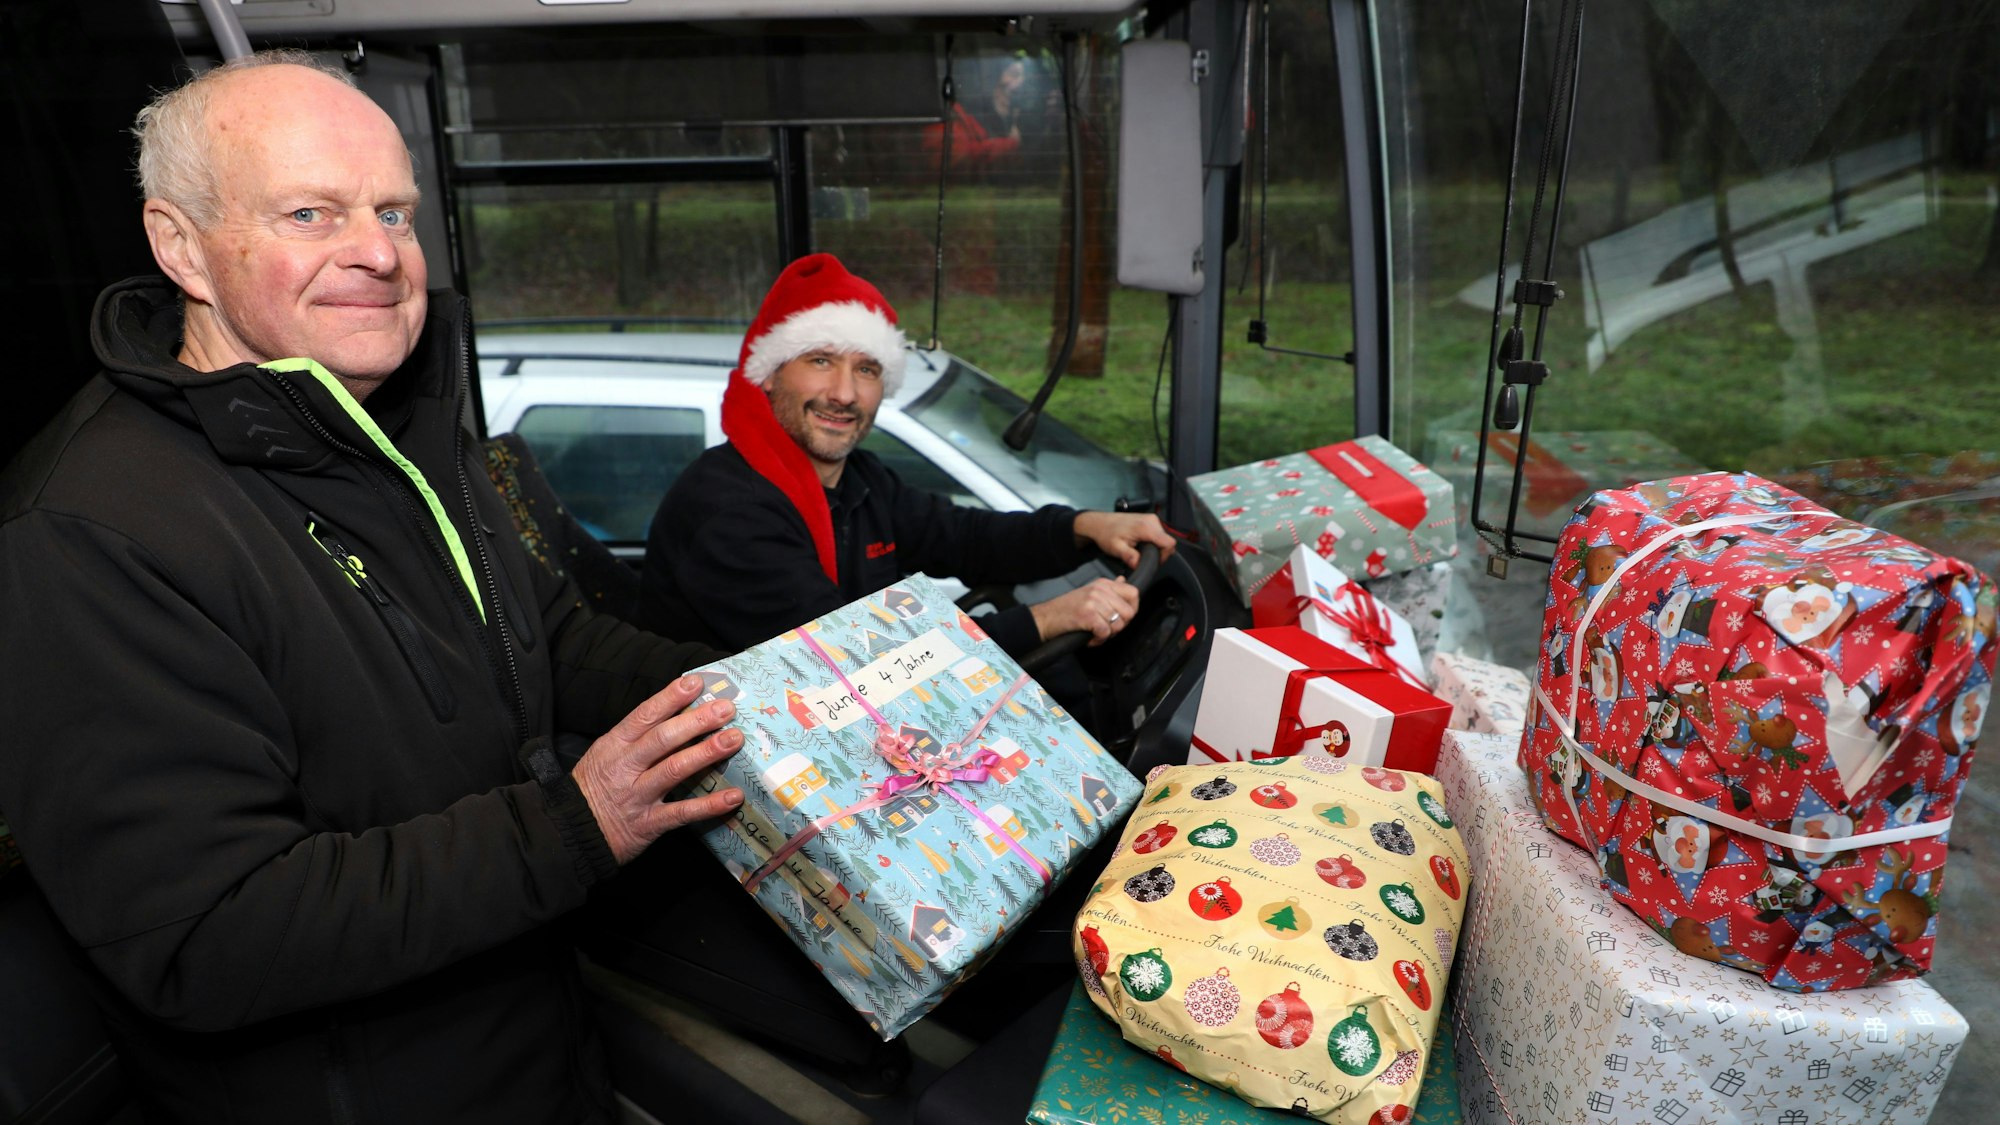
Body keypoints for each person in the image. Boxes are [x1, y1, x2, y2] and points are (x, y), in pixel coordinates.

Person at [0, 52, 744, 1123]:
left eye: (394, 213)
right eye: (310, 213)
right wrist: (573, 827)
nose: (380, 253)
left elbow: (542, 640)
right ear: (182, 247)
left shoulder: (396, 430)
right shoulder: (87, 530)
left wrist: (762, 686)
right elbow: (206, 933)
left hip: (538, 1046)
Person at [635, 253, 1176, 667]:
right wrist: (1048, 619)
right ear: (770, 374)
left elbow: (966, 538)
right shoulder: (730, 510)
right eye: (820, 361)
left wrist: (1085, 527)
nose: (844, 394)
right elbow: (855, 660)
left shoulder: (861, 482)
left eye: (866, 369)